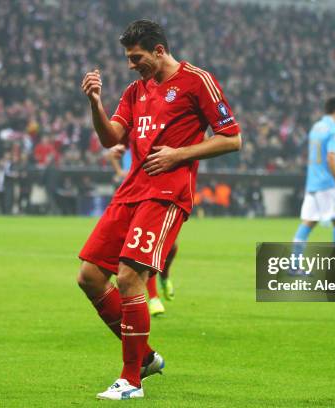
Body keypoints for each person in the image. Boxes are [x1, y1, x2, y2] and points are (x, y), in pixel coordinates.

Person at [78, 20, 241, 400]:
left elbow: (232, 139)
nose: (132, 65)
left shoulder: (197, 81)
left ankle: (131, 379)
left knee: (130, 277)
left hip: (166, 194)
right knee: (89, 277)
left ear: (159, 51)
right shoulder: (136, 91)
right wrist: (95, 103)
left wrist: (179, 155)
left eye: (137, 58)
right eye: (129, 59)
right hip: (131, 190)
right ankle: (145, 356)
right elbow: (110, 139)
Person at [109, 143, 177, 316]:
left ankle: (165, 276)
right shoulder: (134, 133)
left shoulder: (159, 138)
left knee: (171, 247)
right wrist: (119, 171)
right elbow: (112, 151)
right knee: (144, 250)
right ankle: (153, 298)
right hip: (134, 194)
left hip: (158, 191)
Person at [291, 97, 335, 275]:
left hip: (313, 182)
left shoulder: (316, 127)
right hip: (327, 183)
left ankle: (294, 265)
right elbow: (331, 157)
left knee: (308, 222)